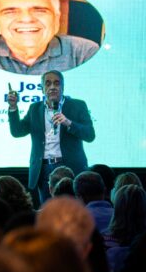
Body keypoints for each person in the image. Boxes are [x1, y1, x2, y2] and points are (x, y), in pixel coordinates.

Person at [8, 70, 95, 204]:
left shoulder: (78, 105)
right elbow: (17, 132)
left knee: (73, 210)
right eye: (48, 84)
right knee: (47, 211)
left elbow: (90, 135)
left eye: (56, 83)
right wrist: (13, 107)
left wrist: (69, 123)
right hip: (44, 169)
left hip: (70, 167)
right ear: (42, 89)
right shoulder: (34, 109)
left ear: (62, 87)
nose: (52, 87)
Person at [0, 0, 99, 74]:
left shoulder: (83, 52)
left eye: (40, 10)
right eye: (10, 11)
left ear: (56, 19)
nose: (27, 19)